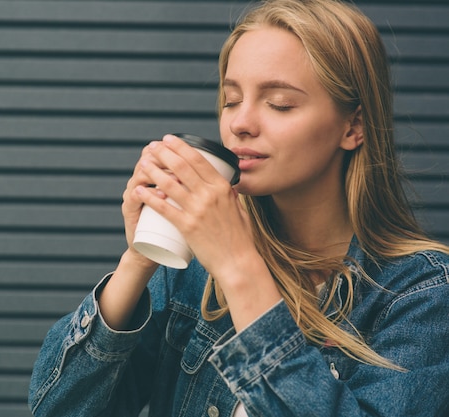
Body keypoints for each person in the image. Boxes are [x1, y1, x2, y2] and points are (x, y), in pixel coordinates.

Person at [28, 0, 449, 415]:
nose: (239, 123)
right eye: (231, 100)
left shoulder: (420, 294)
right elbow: (58, 409)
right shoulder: (191, 271)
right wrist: (140, 257)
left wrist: (238, 266)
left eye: (279, 103)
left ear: (353, 126)